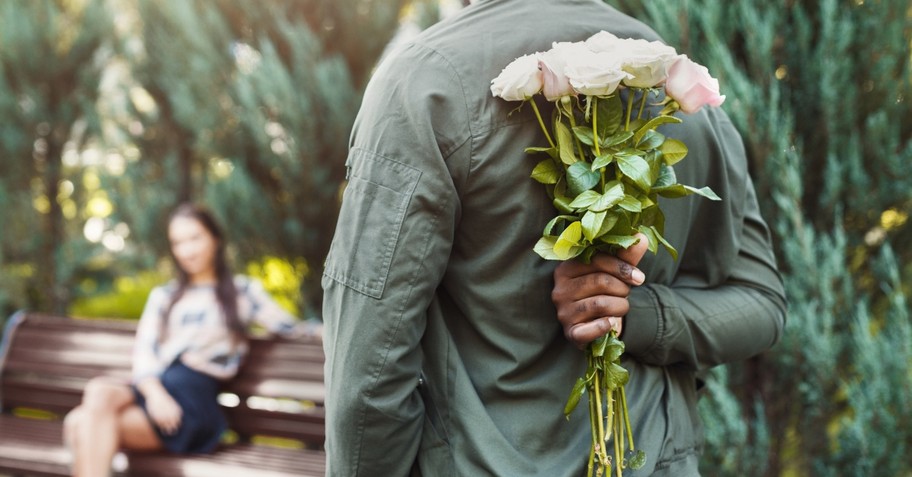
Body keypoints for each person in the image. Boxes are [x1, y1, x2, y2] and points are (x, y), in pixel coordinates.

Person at [320, 0, 787, 476]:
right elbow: (761, 302)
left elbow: (367, 378)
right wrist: (645, 314)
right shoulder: (677, 83)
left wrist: (622, 312)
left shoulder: (426, 83)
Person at [63, 204, 320, 477]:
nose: (187, 250)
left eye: (194, 238)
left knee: (79, 422)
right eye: (178, 242)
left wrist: (324, 331)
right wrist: (156, 396)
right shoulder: (165, 296)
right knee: (98, 391)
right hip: (157, 393)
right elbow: (144, 353)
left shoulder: (241, 292)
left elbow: (290, 328)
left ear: (215, 239)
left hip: (192, 404)